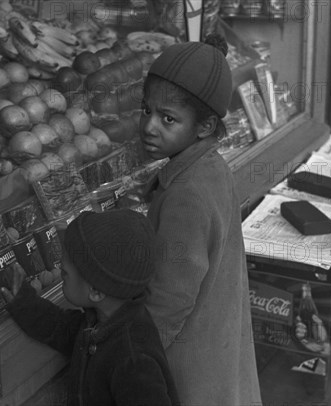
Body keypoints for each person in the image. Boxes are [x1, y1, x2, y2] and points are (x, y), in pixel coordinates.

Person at [139, 34, 262, 405]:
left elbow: (170, 297)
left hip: (190, 366)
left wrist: (137, 357)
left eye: (168, 119)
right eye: (147, 111)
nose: (149, 126)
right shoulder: (211, 168)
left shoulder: (186, 195)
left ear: (205, 127)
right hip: (219, 348)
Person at [2, 209, 180, 406]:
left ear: (96, 291)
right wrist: (23, 302)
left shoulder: (134, 361)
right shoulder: (103, 321)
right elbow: (60, 328)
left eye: (68, 266)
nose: (61, 265)